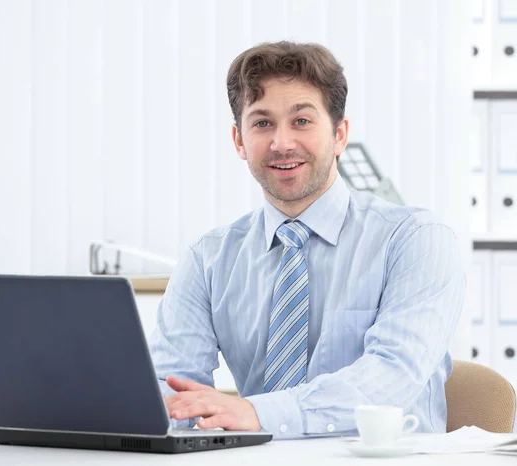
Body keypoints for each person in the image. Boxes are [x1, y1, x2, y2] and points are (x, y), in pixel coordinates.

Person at [148, 40, 465, 439]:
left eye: (301, 121)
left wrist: (257, 413)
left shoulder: (417, 241)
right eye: (262, 123)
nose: (282, 142)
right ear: (239, 141)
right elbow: (170, 388)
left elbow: (391, 379)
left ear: (339, 135)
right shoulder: (207, 259)